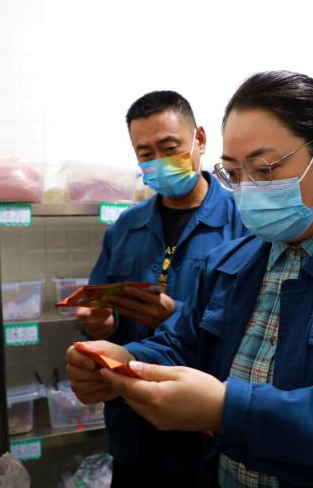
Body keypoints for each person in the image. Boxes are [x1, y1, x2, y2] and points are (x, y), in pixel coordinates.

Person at [66, 70, 313, 488]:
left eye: (265, 169)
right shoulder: (230, 263)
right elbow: (181, 344)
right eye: (234, 173)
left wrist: (227, 410)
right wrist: (126, 362)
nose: (248, 189)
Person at [76, 90, 246, 488]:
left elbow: (255, 322)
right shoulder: (126, 228)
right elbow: (99, 306)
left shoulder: (242, 222)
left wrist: (176, 315)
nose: (159, 162)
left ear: (200, 139)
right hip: (132, 423)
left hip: (206, 424)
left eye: (169, 149)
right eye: (145, 154)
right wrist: (99, 324)